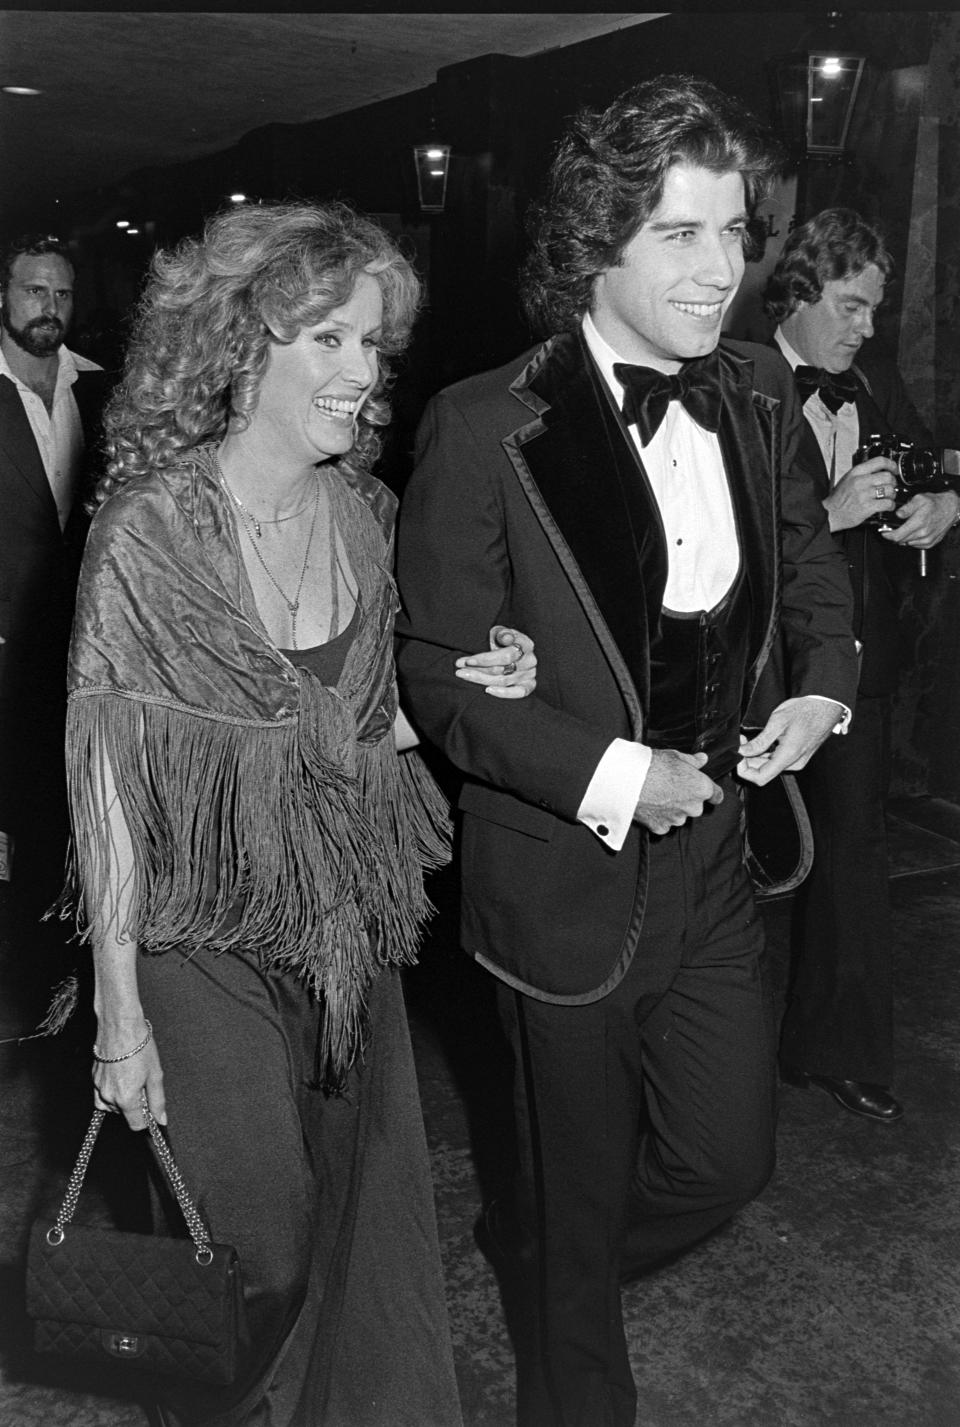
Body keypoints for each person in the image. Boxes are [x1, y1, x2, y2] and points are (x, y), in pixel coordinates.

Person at [395, 74, 859, 1427]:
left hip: (718, 866)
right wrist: (612, 772)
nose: (727, 269)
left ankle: (552, 1261)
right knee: (578, 1197)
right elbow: (439, 671)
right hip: (562, 879)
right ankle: (568, 1328)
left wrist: (823, 689)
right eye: (685, 234)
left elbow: (816, 568)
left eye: (736, 231)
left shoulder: (760, 390)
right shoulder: (487, 425)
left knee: (726, 1160)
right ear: (597, 239)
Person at [55, 200, 537, 1427]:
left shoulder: (370, 521)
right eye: (325, 339)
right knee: (258, 1239)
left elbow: (369, 726)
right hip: (195, 937)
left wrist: (470, 687)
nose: (358, 372)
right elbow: (106, 774)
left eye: (372, 345)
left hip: (343, 926)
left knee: (357, 1221)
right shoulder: (150, 530)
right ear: (239, 345)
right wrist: (118, 1010)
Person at [763, 207, 960, 1122]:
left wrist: (944, 509)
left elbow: (935, 468)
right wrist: (826, 515)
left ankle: (837, 1050)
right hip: (749, 673)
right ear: (799, 291)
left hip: (857, 671)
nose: (866, 329)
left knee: (853, 858)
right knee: (714, 866)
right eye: (849, 306)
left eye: (875, 310)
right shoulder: (730, 381)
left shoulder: (872, 384)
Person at [0, 234, 112, 920]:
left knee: (74, 809)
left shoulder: (101, 386)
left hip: (84, 643)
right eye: (35, 291)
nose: (50, 307)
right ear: (4, 296)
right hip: (6, 644)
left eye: (62, 293)